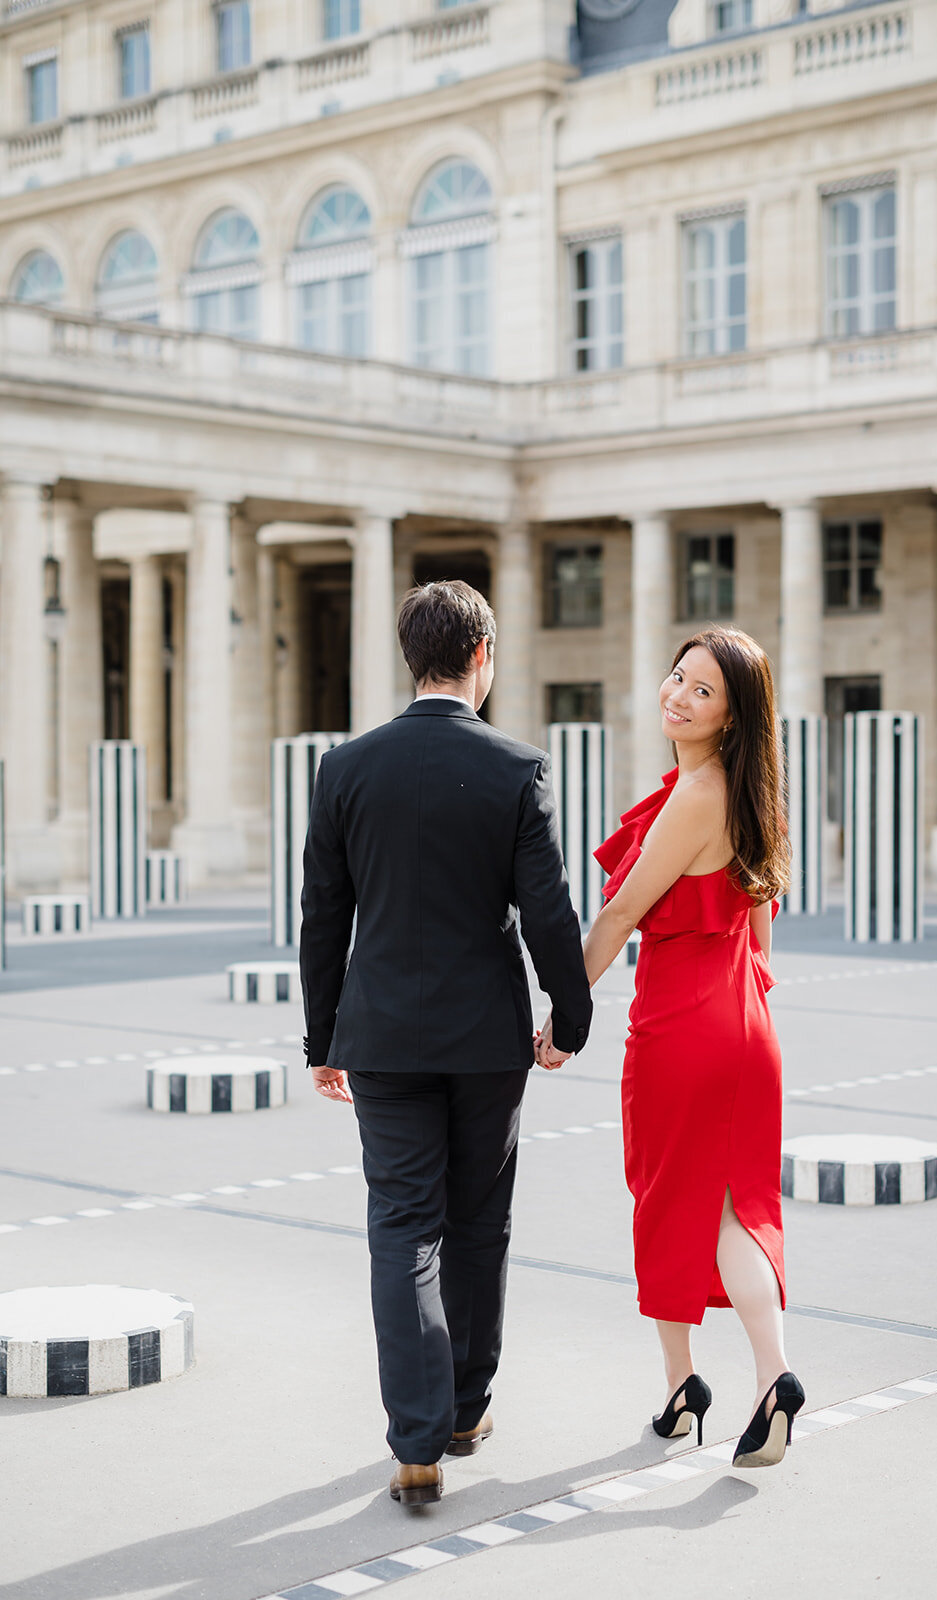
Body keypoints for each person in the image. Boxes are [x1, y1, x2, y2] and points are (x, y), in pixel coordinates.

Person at [300, 579, 592, 1507]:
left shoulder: (345, 768)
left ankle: (417, 1444)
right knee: (477, 1224)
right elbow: (546, 908)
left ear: (411, 656)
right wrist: (570, 1015)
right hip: (484, 1041)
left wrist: (322, 1036)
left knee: (402, 1232)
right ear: (482, 656)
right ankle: (466, 1410)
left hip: (380, 1034)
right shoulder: (515, 767)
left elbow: (323, 917)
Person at [536, 624, 803, 1468]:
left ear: (730, 717)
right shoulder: (745, 791)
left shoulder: (697, 796)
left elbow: (618, 915)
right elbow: (760, 925)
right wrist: (746, 1018)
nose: (677, 697)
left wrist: (563, 1015)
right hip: (742, 1021)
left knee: (677, 1202)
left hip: (684, 1023)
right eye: (677, 678)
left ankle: (763, 1378)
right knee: (729, 1201)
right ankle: (691, 1389)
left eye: (701, 692)